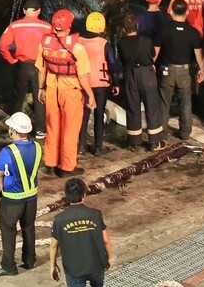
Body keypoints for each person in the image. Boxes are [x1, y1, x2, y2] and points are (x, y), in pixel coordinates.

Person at [36, 9, 97, 177]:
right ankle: (67, 167)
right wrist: (90, 95)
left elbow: (41, 70)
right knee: (70, 129)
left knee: (52, 127)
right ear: (70, 25)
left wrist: (41, 89)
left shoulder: (44, 43)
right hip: (70, 91)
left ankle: (50, 163)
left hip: (51, 89)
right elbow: (83, 76)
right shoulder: (77, 47)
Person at [50, 178, 112, 287]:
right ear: (84, 195)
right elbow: (106, 241)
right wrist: (108, 259)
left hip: (74, 270)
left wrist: (53, 266)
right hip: (96, 265)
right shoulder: (95, 214)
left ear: (66, 197)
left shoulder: (59, 219)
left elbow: (54, 246)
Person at [0, 112, 41, 277]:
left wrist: (1, 188)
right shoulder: (38, 147)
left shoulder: (8, 151)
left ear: (13, 130)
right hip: (31, 198)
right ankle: (29, 260)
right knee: (28, 228)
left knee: (8, 231)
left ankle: (8, 266)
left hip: (12, 200)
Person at [0, 0, 50, 138]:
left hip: (21, 65)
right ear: (39, 11)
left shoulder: (15, 25)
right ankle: (40, 130)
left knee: (18, 97)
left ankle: (14, 128)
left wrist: (10, 59)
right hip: (40, 66)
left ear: (24, 10)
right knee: (39, 96)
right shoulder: (47, 27)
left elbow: (2, 45)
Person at [155, 0, 204, 141]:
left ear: (171, 12)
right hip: (184, 71)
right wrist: (201, 70)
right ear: (187, 12)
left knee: (164, 102)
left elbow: (155, 53)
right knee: (185, 102)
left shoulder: (163, 30)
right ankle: (184, 132)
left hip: (167, 70)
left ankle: (162, 132)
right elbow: (198, 55)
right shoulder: (193, 32)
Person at [116, 13, 166, 151]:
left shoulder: (121, 43)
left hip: (130, 75)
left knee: (132, 107)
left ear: (123, 29)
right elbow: (152, 55)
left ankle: (134, 142)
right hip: (146, 74)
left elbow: (121, 59)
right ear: (137, 26)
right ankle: (155, 141)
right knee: (152, 106)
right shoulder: (146, 40)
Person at [77, 12, 120, 156]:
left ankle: (81, 145)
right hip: (101, 83)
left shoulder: (78, 41)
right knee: (99, 114)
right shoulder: (104, 43)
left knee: (83, 114)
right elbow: (112, 63)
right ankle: (98, 147)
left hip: (82, 83)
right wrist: (116, 83)